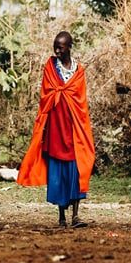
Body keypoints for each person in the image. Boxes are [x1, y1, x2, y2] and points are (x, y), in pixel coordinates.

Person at [17, 31, 95, 227]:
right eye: (55, 47)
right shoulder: (50, 67)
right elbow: (45, 96)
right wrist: (59, 94)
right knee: (58, 171)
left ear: (69, 47)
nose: (57, 51)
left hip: (75, 127)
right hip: (55, 127)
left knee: (76, 170)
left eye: (60, 47)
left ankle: (76, 216)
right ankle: (61, 217)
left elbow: (81, 102)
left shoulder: (79, 71)